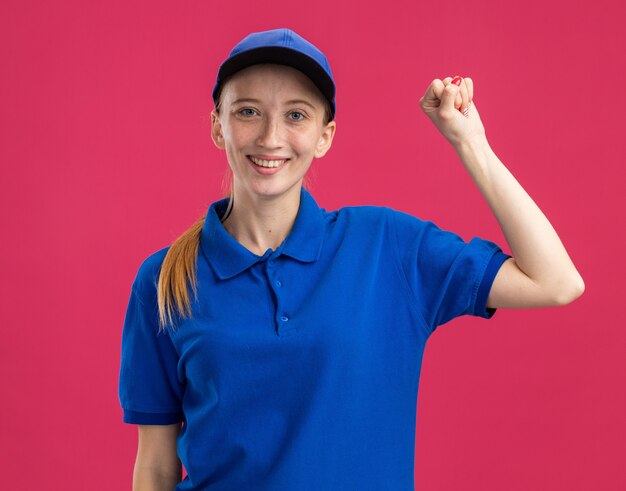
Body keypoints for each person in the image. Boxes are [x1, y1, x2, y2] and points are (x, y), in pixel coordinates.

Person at [118, 28, 584, 491]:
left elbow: (556, 282)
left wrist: (471, 143)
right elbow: (156, 467)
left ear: (325, 136)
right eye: (247, 112)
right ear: (218, 125)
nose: (270, 136)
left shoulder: (388, 247)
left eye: (296, 115)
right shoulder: (163, 280)